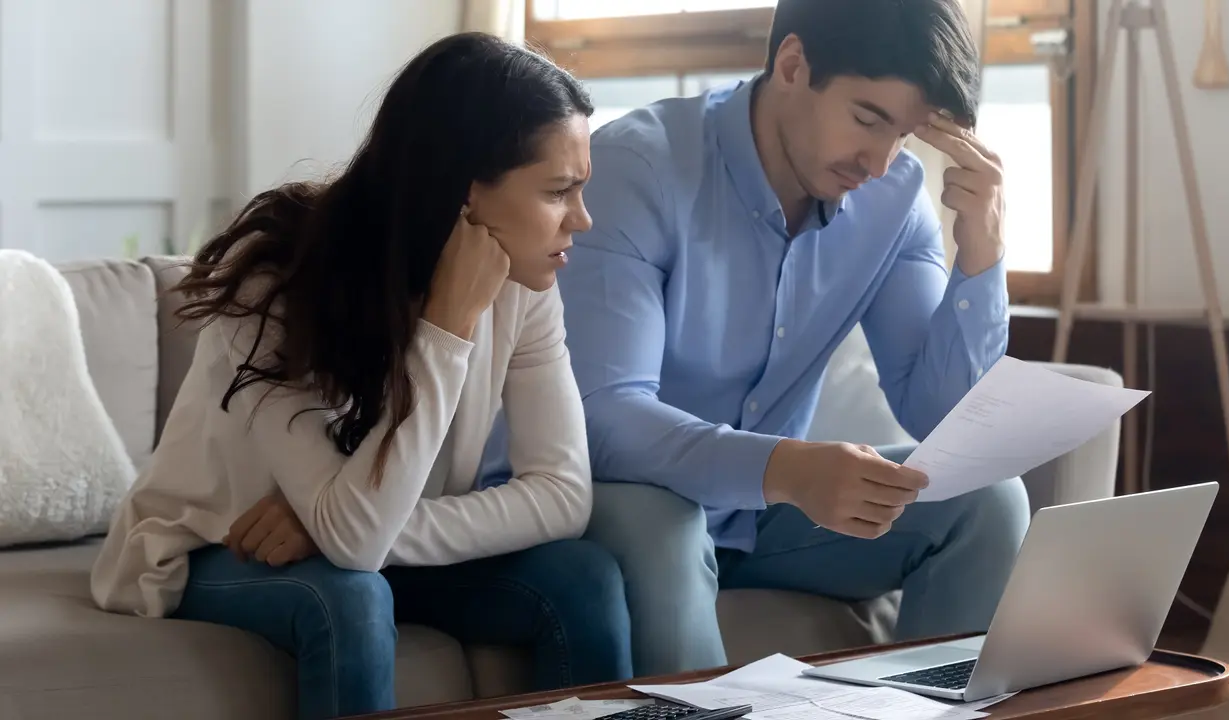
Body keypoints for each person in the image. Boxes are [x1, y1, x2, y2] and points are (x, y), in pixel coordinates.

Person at [478, 0, 1030, 676]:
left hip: (759, 515)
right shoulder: (638, 169)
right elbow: (602, 416)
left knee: (987, 500)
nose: (882, 163)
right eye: (867, 119)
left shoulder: (895, 202)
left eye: (908, 135)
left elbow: (944, 423)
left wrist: (982, 253)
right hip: (611, 497)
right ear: (793, 64)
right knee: (667, 524)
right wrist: (787, 470)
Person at [90, 32, 631, 719]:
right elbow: (356, 548)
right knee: (345, 594)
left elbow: (561, 496)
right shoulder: (274, 283)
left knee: (581, 578)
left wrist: (334, 526)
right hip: (210, 545)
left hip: (362, 539)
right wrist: (447, 326)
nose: (582, 220)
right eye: (560, 191)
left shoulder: (526, 287)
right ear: (464, 193)